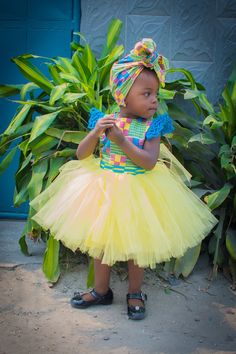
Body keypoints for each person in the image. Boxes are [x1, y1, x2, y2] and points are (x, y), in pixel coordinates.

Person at [30, 38, 218, 321]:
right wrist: (95, 134)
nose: (154, 100)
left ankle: (135, 292)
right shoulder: (105, 121)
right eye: (146, 94)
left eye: (156, 93)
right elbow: (82, 156)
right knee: (101, 243)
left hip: (140, 191)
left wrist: (120, 139)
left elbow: (149, 161)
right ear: (123, 95)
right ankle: (101, 290)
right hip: (104, 190)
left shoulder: (151, 127)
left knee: (136, 248)